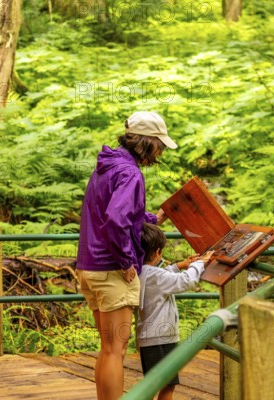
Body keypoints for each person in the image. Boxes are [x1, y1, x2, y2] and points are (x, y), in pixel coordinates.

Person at [76, 111, 178, 400]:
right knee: (116, 350)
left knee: (108, 349)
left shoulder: (107, 166)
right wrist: (126, 262)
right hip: (111, 269)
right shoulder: (130, 173)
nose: (159, 152)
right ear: (146, 142)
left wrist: (152, 218)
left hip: (90, 266)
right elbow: (117, 220)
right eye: (159, 145)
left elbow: (118, 212)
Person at [137, 223, 214, 400]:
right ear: (157, 252)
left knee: (156, 386)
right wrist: (200, 264)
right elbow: (186, 281)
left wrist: (181, 264)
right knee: (166, 387)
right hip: (160, 339)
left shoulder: (143, 271)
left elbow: (160, 276)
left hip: (153, 338)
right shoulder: (155, 276)